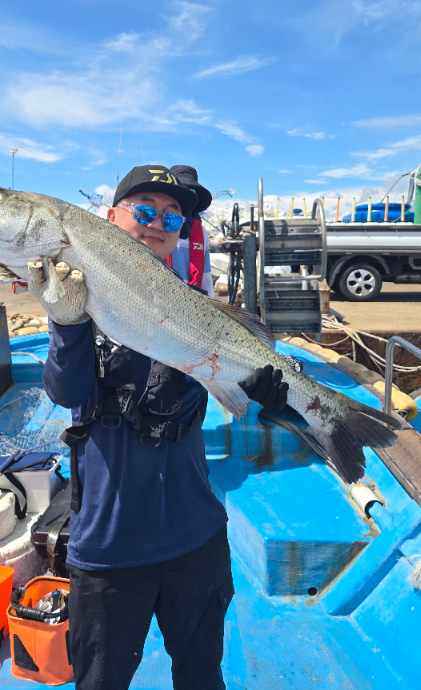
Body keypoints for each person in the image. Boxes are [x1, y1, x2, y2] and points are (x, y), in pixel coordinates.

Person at [28, 165, 289, 690]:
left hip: (196, 536)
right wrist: (66, 321)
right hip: (109, 545)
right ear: (110, 218)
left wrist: (269, 390)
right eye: (144, 210)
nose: (157, 223)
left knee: (202, 676)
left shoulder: (195, 307)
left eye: (173, 217)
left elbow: (232, 389)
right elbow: (66, 393)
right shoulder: (84, 300)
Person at [168, 164, 215, 297]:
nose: (185, 196)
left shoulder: (201, 233)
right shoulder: (155, 226)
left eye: (191, 191)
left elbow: (206, 277)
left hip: (191, 300)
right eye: (180, 189)